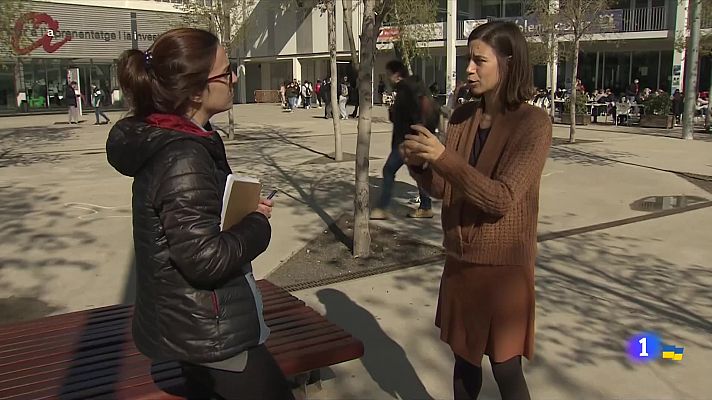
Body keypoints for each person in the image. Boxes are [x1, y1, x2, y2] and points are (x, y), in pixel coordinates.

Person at [106, 28, 294, 400]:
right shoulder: (183, 157)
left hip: (198, 325)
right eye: (226, 72)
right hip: (211, 335)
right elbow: (204, 260)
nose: (235, 78)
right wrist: (256, 223)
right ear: (194, 91)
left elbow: (195, 227)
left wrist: (236, 209)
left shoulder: (193, 137)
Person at [403, 21, 551, 400]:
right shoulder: (462, 117)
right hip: (460, 261)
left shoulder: (533, 124)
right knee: (464, 362)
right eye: (469, 59)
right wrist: (421, 164)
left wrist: (444, 158)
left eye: (478, 60)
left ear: (508, 62)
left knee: (505, 368)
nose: (469, 68)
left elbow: (501, 198)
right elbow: (444, 189)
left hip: (503, 270)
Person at [370, 60, 435, 220]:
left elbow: (415, 116)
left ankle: (382, 208)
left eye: (388, 74)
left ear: (396, 75)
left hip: (406, 141)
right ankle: (426, 206)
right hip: (407, 140)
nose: (387, 78)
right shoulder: (406, 89)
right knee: (418, 171)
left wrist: (415, 137)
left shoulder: (406, 90)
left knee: (389, 170)